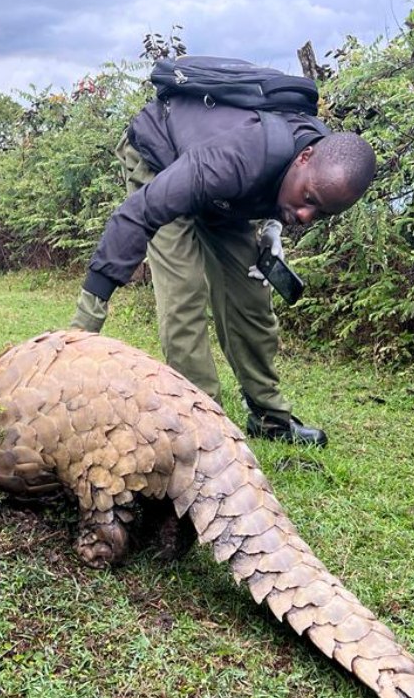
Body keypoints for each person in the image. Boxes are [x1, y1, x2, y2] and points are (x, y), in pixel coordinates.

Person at [70, 93, 375, 446]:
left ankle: (269, 418)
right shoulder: (235, 161)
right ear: (304, 159)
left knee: (251, 298)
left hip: (222, 189)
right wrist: (81, 331)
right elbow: (139, 215)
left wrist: (273, 230)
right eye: (308, 201)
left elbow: (280, 190)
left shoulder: (316, 151)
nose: (307, 217)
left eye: (321, 213)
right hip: (161, 159)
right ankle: (203, 426)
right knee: (184, 291)